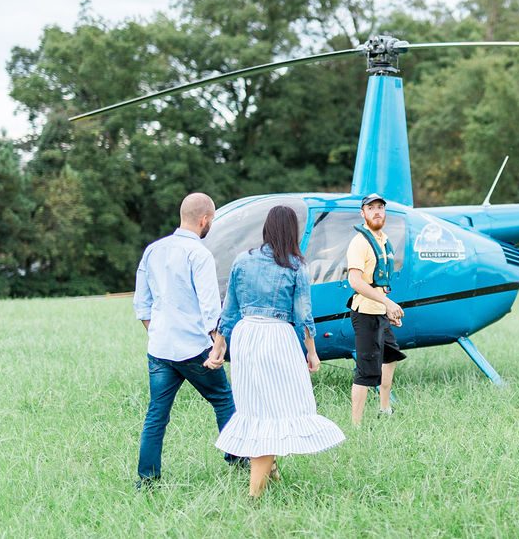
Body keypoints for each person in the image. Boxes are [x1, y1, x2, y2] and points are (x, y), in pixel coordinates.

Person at [214, 205, 345, 498]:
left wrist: (219, 347)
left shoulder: (242, 261)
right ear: (291, 231)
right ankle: (254, 495)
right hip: (277, 337)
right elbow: (303, 315)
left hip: (246, 337)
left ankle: (270, 471)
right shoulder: (295, 266)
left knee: (257, 408)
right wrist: (312, 352)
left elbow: (230, 309)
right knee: (279, 409)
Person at [133, 192, 242, 487]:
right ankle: (238, 460)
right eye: (212, 220)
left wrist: (158, 334)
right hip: (195, 348)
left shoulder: (153, 250)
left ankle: (147, 479)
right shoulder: (199, 254)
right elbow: (210, 309)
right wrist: (217, 346)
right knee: (223, 400)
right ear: (205, 219)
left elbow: (142, 305)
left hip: (159, 349)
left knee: (156, 415)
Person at [347, 193, 406, 426]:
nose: (377, 211)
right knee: (366, 370)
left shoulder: (383, 239)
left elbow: (380, 281)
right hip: (365, 313)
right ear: (363, 213)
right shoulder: (360, 242)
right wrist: (388, 304)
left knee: (390, 356)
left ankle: (385, 408)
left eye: (380, 207)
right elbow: (356, 281)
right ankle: (356, 425)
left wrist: (388, 309)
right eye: (371, 208)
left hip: (380, 310)